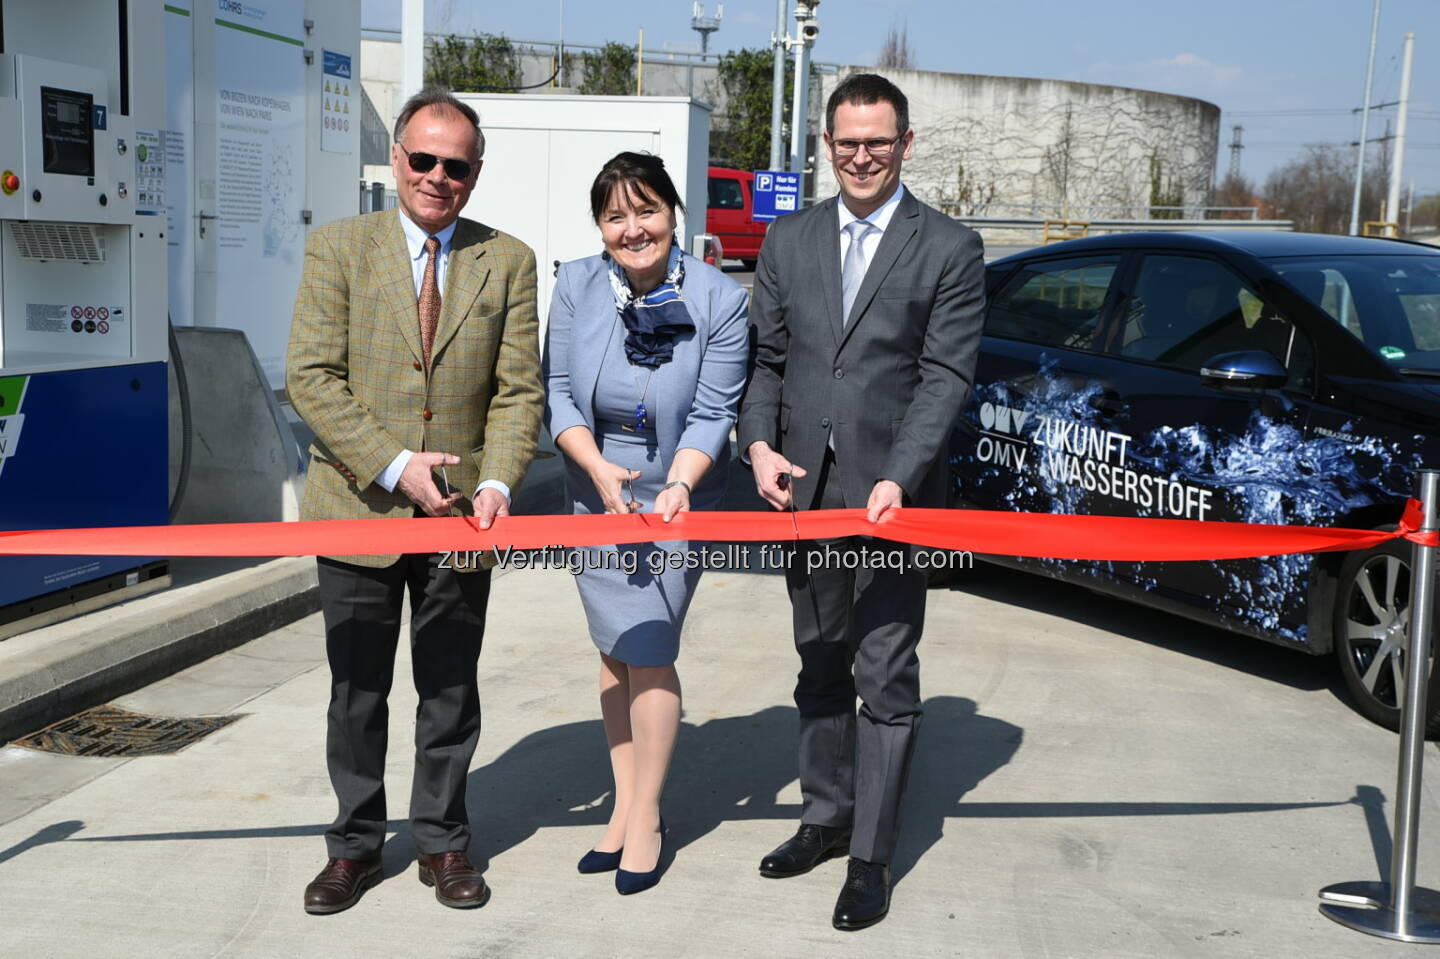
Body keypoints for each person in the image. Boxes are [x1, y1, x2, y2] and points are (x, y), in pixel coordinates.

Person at [738, 73, 986, 931]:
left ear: (905, 143)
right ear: (828, 145)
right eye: (847, 142)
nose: (861, 155)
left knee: (883, 670)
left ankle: (872, 854)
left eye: (877, 140)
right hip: (805, 490)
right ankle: (824, 814)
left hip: (892, 497)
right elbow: (765, 359)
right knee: (818, 656)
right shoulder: (789, 238)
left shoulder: (949, 247)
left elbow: (945, 375)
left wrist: (901, 473)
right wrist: (760, 445)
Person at [286, 89, 542, 915]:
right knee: (357, 692)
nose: (437, 177)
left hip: (462, 516)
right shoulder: (337, 248)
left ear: (474, 173)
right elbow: (312, 377)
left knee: (450, 687)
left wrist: (498, 481)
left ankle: (441, 840)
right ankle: (355, 846)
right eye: (423, 159)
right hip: (357, 505)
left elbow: (517, 393)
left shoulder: (508, 260)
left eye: (455, 165)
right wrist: (395, 465)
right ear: (396, 158)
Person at [544, 152, 748, 895]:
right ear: (600, 226)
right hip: (592, 481)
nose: (634, 229)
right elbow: (559, 391)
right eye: (615, 215)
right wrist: (596, 471)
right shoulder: (575, 284)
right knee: (613, 649)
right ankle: (624, 804)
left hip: (676, 492)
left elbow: (714, 410)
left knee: (651, 647)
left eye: (647, 210)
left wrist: (680, 486)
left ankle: (649, 816)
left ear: (674, 212)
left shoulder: (721, 299)